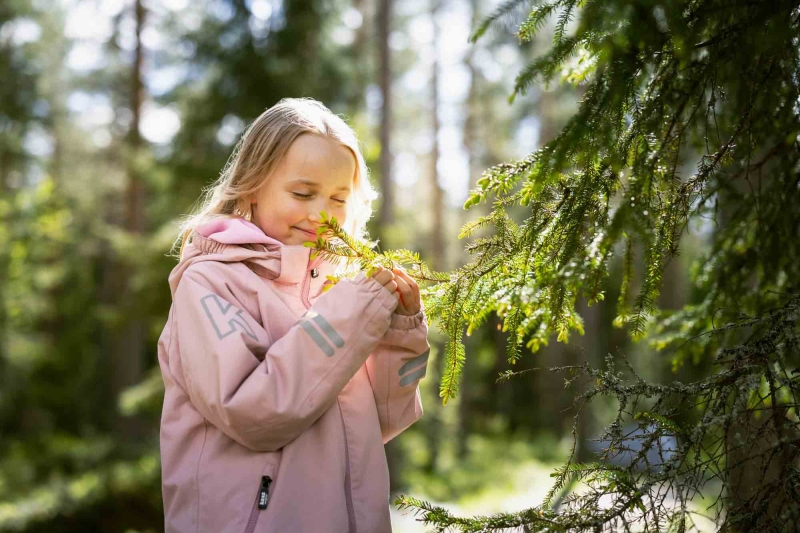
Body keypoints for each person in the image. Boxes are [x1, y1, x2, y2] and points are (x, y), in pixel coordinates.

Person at [156, 97, 430, 533]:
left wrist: (400, 331)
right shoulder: (210, 283)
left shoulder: (340, 290)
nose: (323, 214)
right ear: (252, 186)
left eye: (339, 198)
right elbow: (251, 412)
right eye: (303, 193)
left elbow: (385, 421)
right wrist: (350, 318)